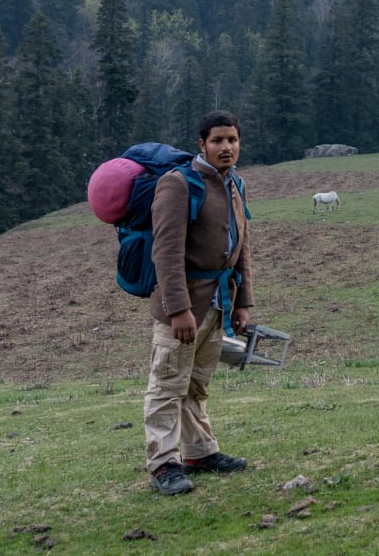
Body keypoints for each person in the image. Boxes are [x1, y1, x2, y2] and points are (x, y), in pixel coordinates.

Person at [145, 110, 254, 494]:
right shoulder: (178, 184)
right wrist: (178, 309)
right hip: (184, 306)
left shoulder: (235, 183)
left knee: (196, 383)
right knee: (167, 384)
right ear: (202, 145)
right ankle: (163, 465)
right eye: (218, 141)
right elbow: (166, 251)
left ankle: (200, 452)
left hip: (220, 303)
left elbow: (241, 246)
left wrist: (244, 303)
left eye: (232, 140)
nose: (226, 147)